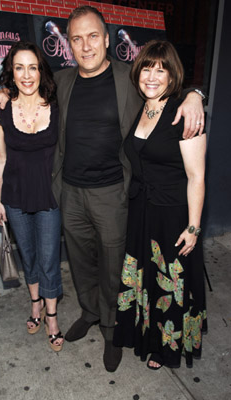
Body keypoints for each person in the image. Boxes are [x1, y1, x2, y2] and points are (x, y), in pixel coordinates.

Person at [0, 6, 205, 372]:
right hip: (69, 192)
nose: (85, 45)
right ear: (67, 43)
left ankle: (111, 326)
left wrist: (197, 93)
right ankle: (89, 312)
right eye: (76, 38)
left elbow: (168, 88)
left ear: (106, 39)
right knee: (81, 263)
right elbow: (26, 87)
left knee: (112, 266)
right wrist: (2, 93)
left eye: (92, 36)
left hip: (112, 193)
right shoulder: (63, 81)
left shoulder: (130, 79)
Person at [113, 40, 207, 370]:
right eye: (148, 68)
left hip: (171, 214)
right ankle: (146, 337)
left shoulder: (184, 112)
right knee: (146, 279)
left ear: (172, 75)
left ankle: (166, 348)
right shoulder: (142, 106)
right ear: (138, 72)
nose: (153, 76)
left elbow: (197, 177)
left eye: (161, 69)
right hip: (141, 211)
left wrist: (193, 227)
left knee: (169, 283)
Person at [0, 41, 64, 352]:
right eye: (19, 67)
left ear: (40, 70)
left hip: (50, 196)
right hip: (16, 196)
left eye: (32, 66)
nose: (26, 74)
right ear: (12, 72)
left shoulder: (57, 104)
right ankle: (34, 304)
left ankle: (51, 318)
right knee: (29, 257)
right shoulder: (1, 108)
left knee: (49, 259)